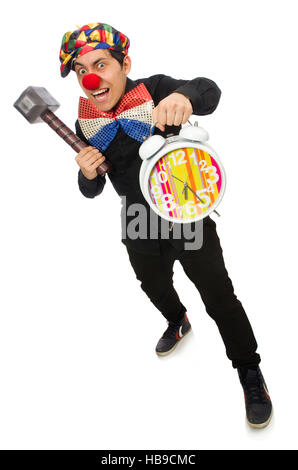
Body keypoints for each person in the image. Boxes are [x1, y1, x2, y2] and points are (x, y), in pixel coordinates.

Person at [59, 22, 273, 428]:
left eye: (101, 64)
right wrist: (87, 176)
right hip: (137, 223)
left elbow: (209, 90)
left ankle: (249, 370)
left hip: (186, 216)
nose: (91, 78)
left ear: (125, 64)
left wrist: (183, 95)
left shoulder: (156, 88)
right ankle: (178, 320)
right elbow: (92, 190)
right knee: (153, 286)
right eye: (81, 69)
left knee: (220, 298)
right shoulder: (86, 121)